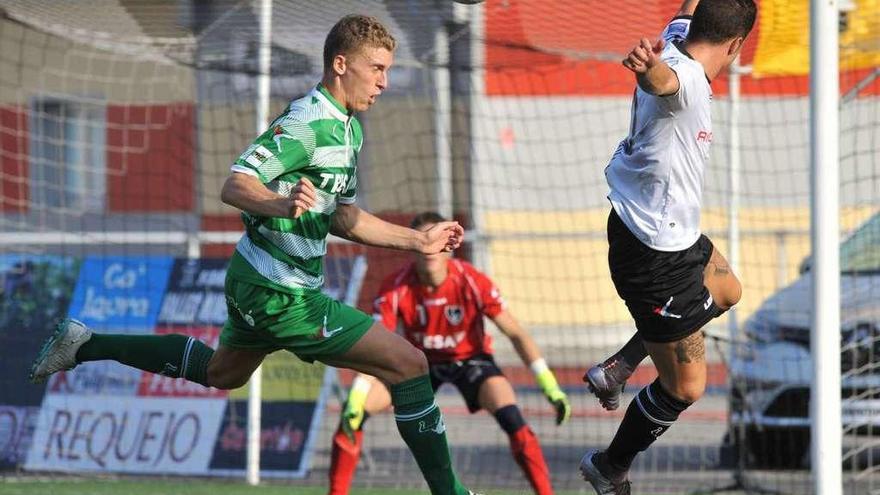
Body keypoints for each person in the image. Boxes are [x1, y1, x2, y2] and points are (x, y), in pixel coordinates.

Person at [29, 15, 482, 495]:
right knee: (409, 363)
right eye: (376, 69)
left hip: (266, 282)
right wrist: (279, 203)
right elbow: (236, 184)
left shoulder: (349, 130)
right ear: (341, 64)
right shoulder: (307, 123)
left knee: (220, 372)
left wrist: (418, 240)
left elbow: (344, 217)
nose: (384, 82)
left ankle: (85, 344)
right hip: (279, 293)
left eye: (388, 70)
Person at [578, 1, 755, 493]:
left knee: (726, 290)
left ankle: (620, 366)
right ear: (738, 44)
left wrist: (656, 61)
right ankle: (610, 466)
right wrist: (647, 68)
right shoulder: (688, 78)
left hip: (673, 236)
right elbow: (664, 84)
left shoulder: (679, 35)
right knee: (687, 387)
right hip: (654, 254)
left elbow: (686, 11)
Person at [327, 212, 571, 495]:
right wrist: (357, 396)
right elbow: (376, 345)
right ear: (413, 246)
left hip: (471, 361)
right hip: (418, 364)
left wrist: (549, 385)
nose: (429, 248)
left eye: (435, 239)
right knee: (351, 416)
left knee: (513, 419)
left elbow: (516, 333)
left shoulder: (472, 281)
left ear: (448, 246)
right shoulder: (396, 286)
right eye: (422, 240)